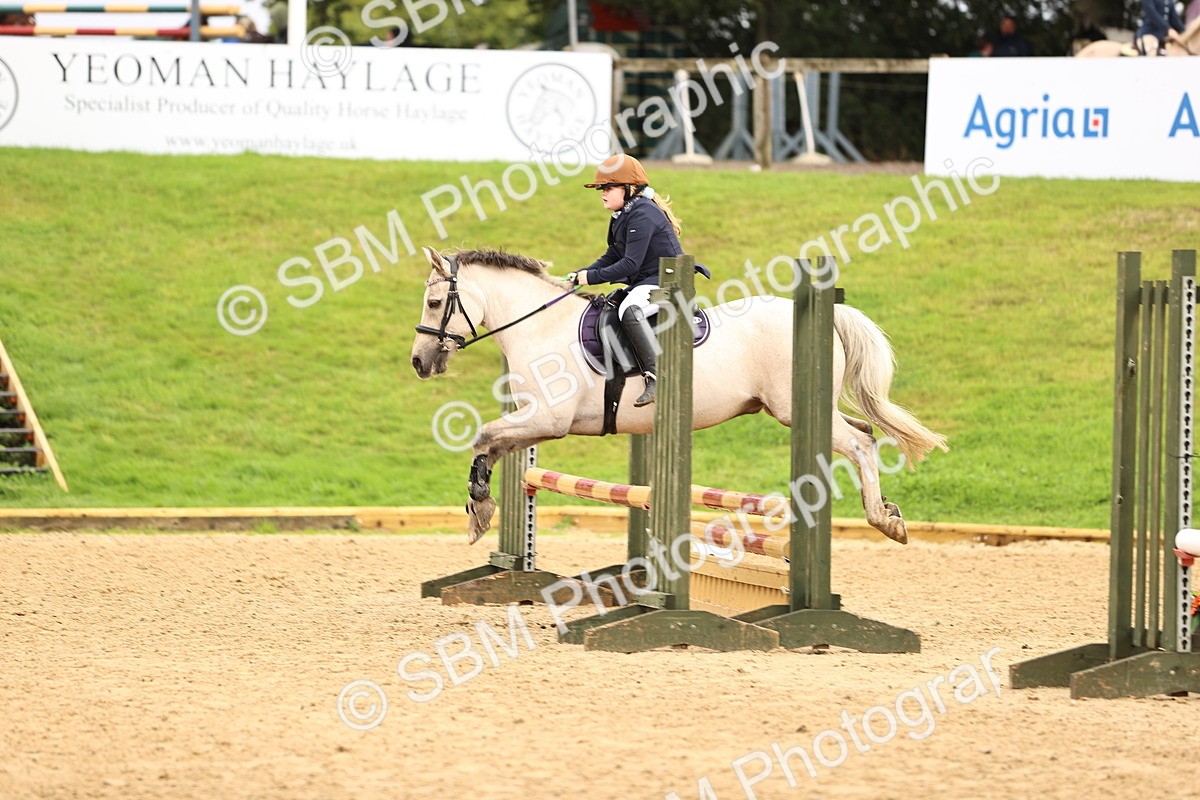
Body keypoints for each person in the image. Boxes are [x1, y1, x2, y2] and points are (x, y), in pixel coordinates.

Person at [563, 154, 704, 407]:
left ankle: (657, 375)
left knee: (629, 310)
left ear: (629, 188)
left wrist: (591, 277)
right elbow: (613, 254)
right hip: (650, 280)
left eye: (608, 187)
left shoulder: (642, 213)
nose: (602, 193)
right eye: (601, 188)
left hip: (670, 282)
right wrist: (581, 275)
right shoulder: (623, 213)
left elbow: (630, 264)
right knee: (616, 305)